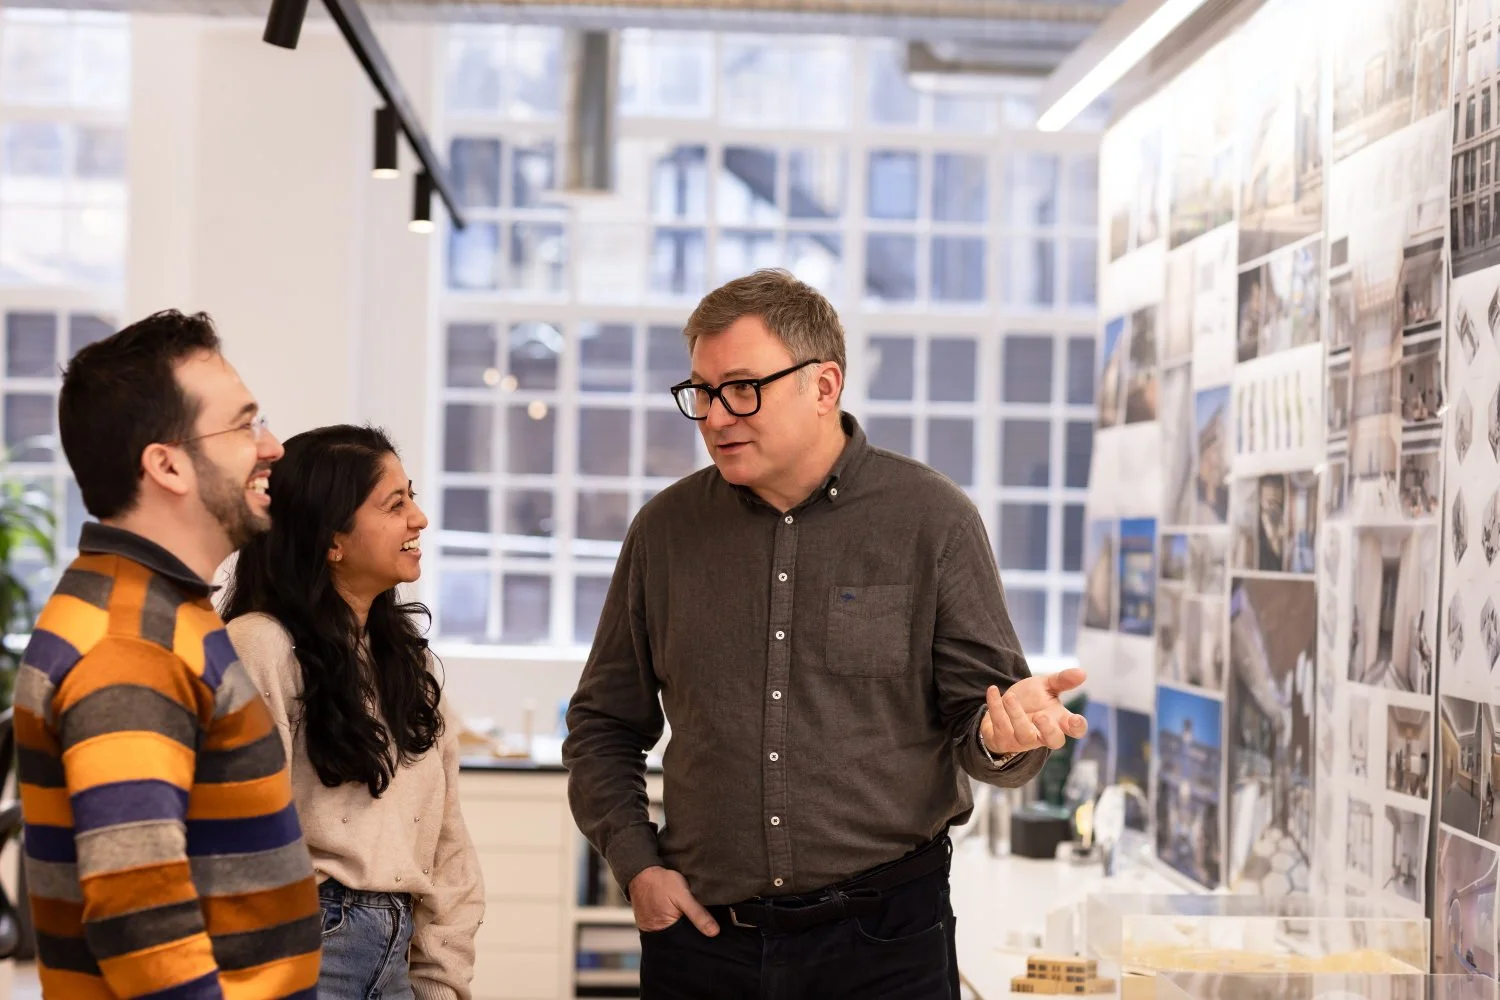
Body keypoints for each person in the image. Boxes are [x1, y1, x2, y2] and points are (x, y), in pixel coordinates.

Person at [563, 269, 1087, 1000]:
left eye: (742, 388)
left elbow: (985, 730)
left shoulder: (930, 521)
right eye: (702, 393)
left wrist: (1006, 740)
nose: (716, 416)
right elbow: (601, 724)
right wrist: (637, 866)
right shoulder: (666, 532)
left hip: (885, 945)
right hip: (706, 946)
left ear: (824, 385)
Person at [13, 310, 321, 997]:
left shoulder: (162, 609)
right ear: (168, 464)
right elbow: (138, 912)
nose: (270, 445)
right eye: (244, 424)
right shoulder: (130, 645)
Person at [222, 425, 484, 1000]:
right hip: (307, 947)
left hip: (397, 953)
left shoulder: (411, 664)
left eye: (410, 496)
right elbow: (236, 842)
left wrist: (442, 983)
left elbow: (448, 844)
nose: (419, 518)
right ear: (331, 538)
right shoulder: (260, 645)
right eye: (395, 504)